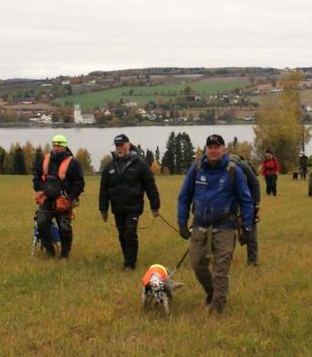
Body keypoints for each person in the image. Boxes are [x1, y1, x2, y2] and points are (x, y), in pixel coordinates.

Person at [177, 134, 255, 313]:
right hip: (200, 224)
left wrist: (247, 227)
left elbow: (246, 200)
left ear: (223, 150)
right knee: (197, 264)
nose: (213, 150)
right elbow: (184, 197)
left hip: (225, 226)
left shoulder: (233, 170)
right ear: (206, 149)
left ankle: (217, 309)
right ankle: (211, 292)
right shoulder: (196, 169)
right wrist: (182, 222)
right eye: (210, 147)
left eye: (216, 147)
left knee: (221, 269)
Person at [99, 134, 160, 270]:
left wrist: (155, 206)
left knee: (130, 232)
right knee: (122, 235)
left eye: (122, 145)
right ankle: (128, 258)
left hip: (134, 207)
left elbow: (150, 186)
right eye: (117, 146)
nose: (119, 148)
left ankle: (129, 264)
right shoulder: (109, 167)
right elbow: (103, 189)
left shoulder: (140, 164)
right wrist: (103, 209)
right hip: (117, 207)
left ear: (128, 145)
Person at [33, 134, 85, 259]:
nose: (56, 148)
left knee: (64, 228)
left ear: (64, 146)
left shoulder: (73, 163)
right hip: (46, 200)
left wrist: (70, 197)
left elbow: (79, 183)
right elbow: (36, 176)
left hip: (63, 201)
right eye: (54, 145)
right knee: (42, 223)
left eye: (59, 145)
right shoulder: (45, 160)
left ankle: (64, 254)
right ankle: (49, 251)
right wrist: (40, 187)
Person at [234, 154, 262, 266]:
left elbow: (255, 183)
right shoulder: (220, 168)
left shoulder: (243, 166)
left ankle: (252, 261)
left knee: (251, 230)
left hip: (248, 200)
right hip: (230, 199)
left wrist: (255, 204)